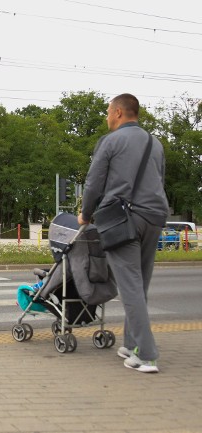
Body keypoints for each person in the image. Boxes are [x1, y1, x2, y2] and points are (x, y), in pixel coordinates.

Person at [77, 93, 169, 374]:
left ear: (118, 112)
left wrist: (86, 213)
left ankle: (147, 355)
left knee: (129, 285)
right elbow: (160, 179)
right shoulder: (156, 143)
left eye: (108, 112)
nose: (107, 117)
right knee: (139, 285)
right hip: (154, 217)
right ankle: (131, 345)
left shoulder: (111, 141)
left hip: (123, 220)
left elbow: (94, 182)